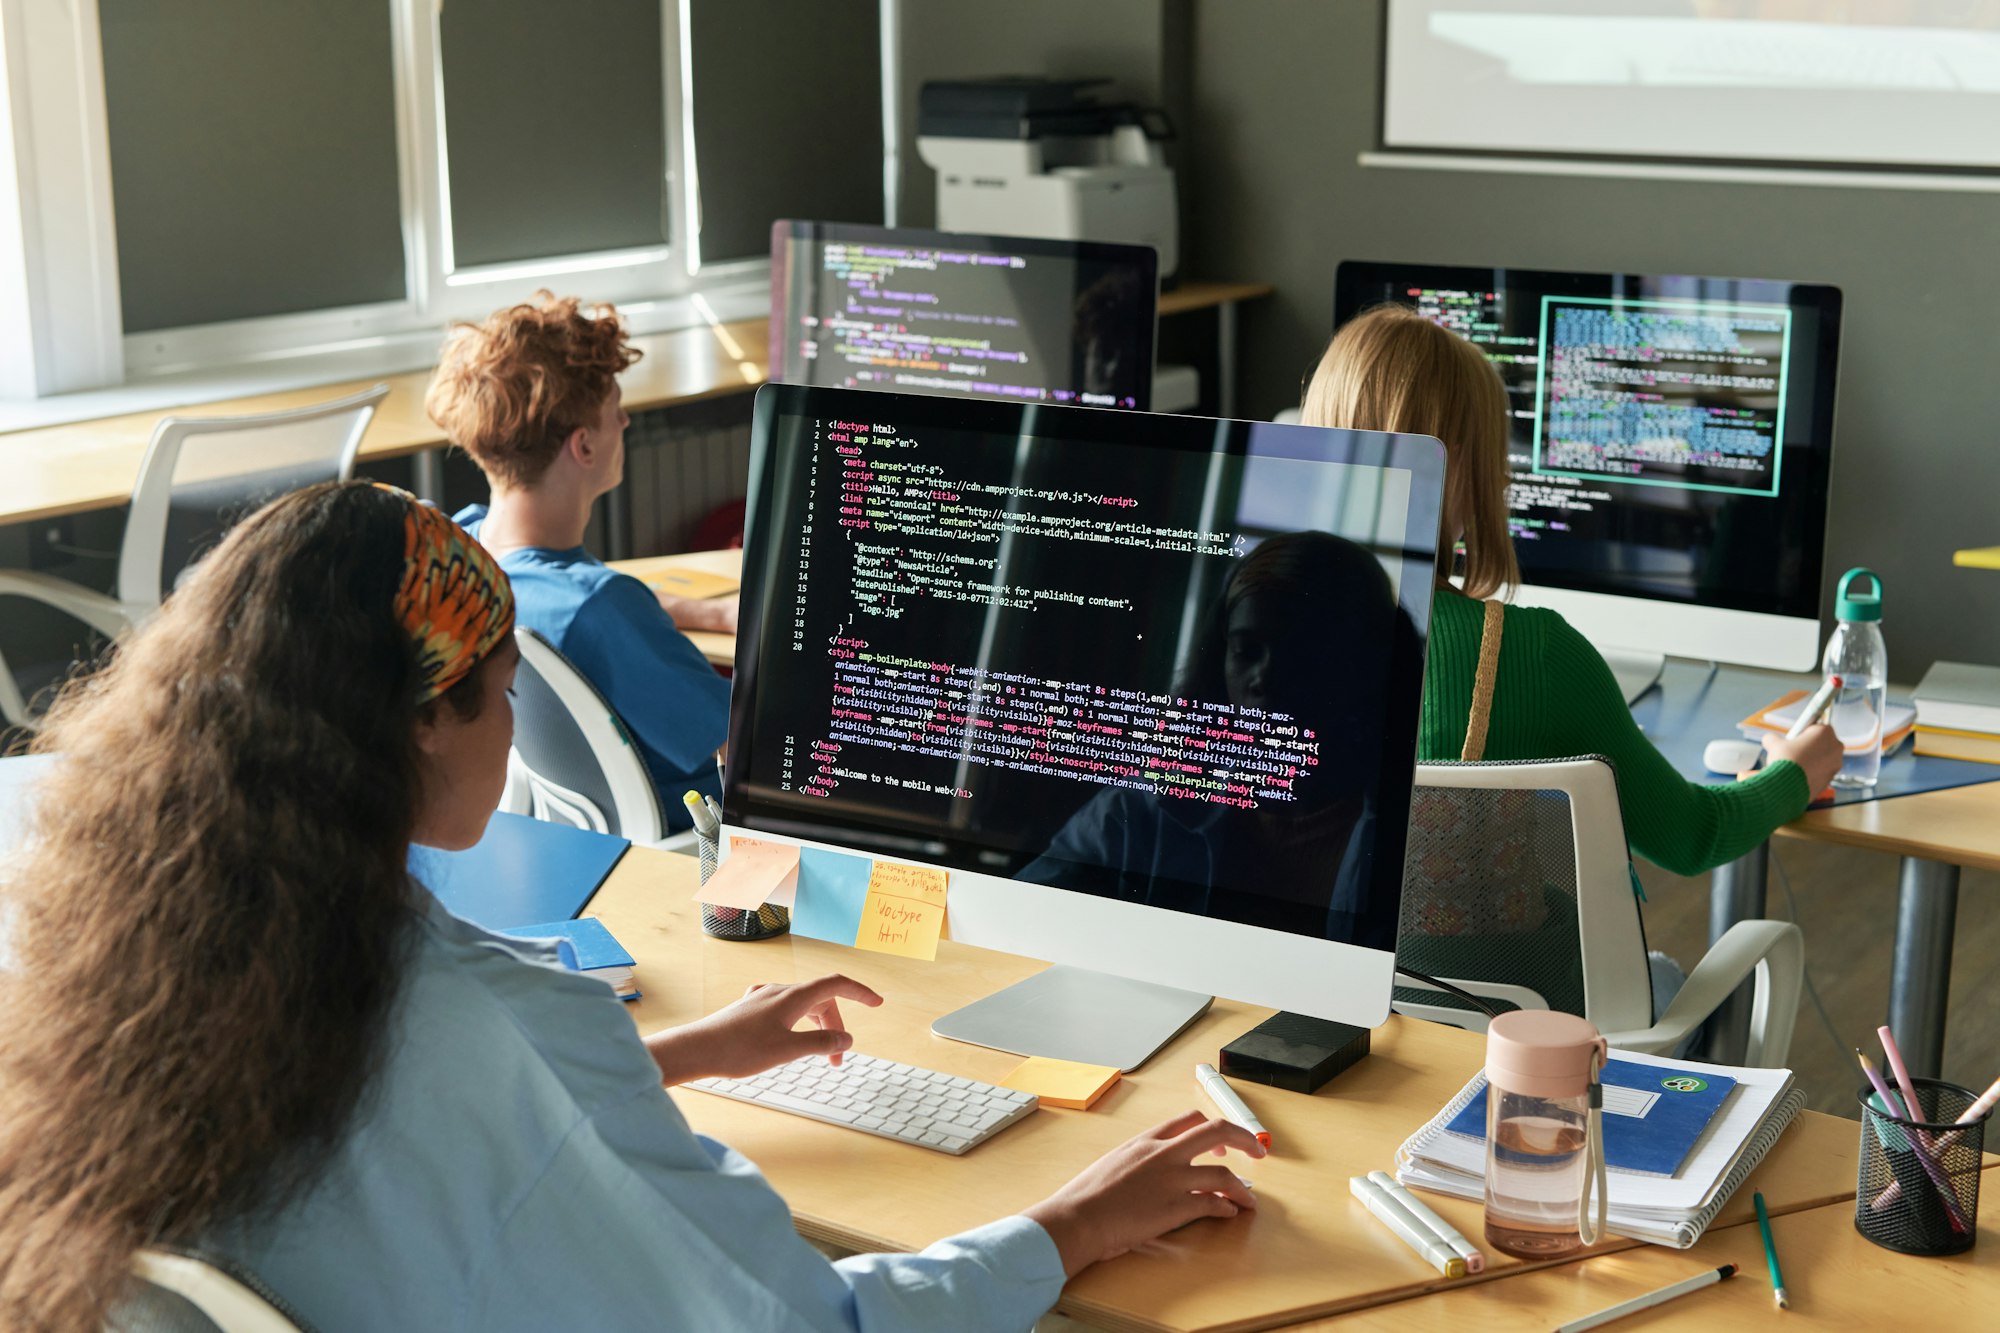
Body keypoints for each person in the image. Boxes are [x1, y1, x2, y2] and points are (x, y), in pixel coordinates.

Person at [0, 482, 1263, 1331]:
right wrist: (1066, 1225)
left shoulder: (142, 963)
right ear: (413, 727)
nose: (509, 731)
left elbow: (418, 1126)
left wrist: (661, 1056)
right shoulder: (495, 1018)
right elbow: (803, 1325)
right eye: (497, 695)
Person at [1299, 306, 1843, 879]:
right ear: (1460, 470)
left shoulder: (1254, 628)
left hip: (1306, 967)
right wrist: (1796, 771)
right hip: (1500, 970)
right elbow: (1696, 837)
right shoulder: (1532, 654)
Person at [426, 291, 734, 830]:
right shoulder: (601, 608)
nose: (627, 423)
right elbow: (744, 742)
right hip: (700, 829)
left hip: (577, 825)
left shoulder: (462, 550)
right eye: (617, 410)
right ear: (584, 447)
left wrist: (711, 614)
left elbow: (577, 601)